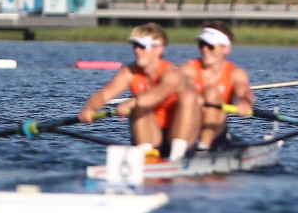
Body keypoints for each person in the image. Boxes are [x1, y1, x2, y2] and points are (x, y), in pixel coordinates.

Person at [77, 23, 199, 161]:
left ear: (158, 49)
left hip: (178, 135)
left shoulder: (170, 73)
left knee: (188, 97)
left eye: (143, 47)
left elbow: (160, 93)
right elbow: (104, 94)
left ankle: (178, 158)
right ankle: (146, 157)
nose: (137, 51)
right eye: (135, 46)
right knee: (139, 104)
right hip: (152, 135)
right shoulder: (130, 72)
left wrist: (133, 102)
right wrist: (89, 109)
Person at [180, 21, 255, 150]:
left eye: (210, 46)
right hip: (186, 131)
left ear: (226, 48)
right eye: (202, 44)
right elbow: (185, 82)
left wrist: (245, 102)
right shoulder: (188, 68)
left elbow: (245, 93)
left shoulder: (236, 73)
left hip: (216, 132)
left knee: (211, 93)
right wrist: (193, 94)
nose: (204, 49)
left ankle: (203, 147)